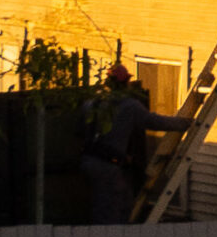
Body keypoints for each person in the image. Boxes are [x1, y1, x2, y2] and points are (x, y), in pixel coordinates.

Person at [81, 60, 192, 224]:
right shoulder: (129, 106)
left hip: (88, 161)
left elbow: (81, 131)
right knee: (113, 210)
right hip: (108, 167)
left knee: (107, 203)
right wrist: (185, 123)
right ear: (126, 83)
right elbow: (154, 122)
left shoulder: (92, 104)